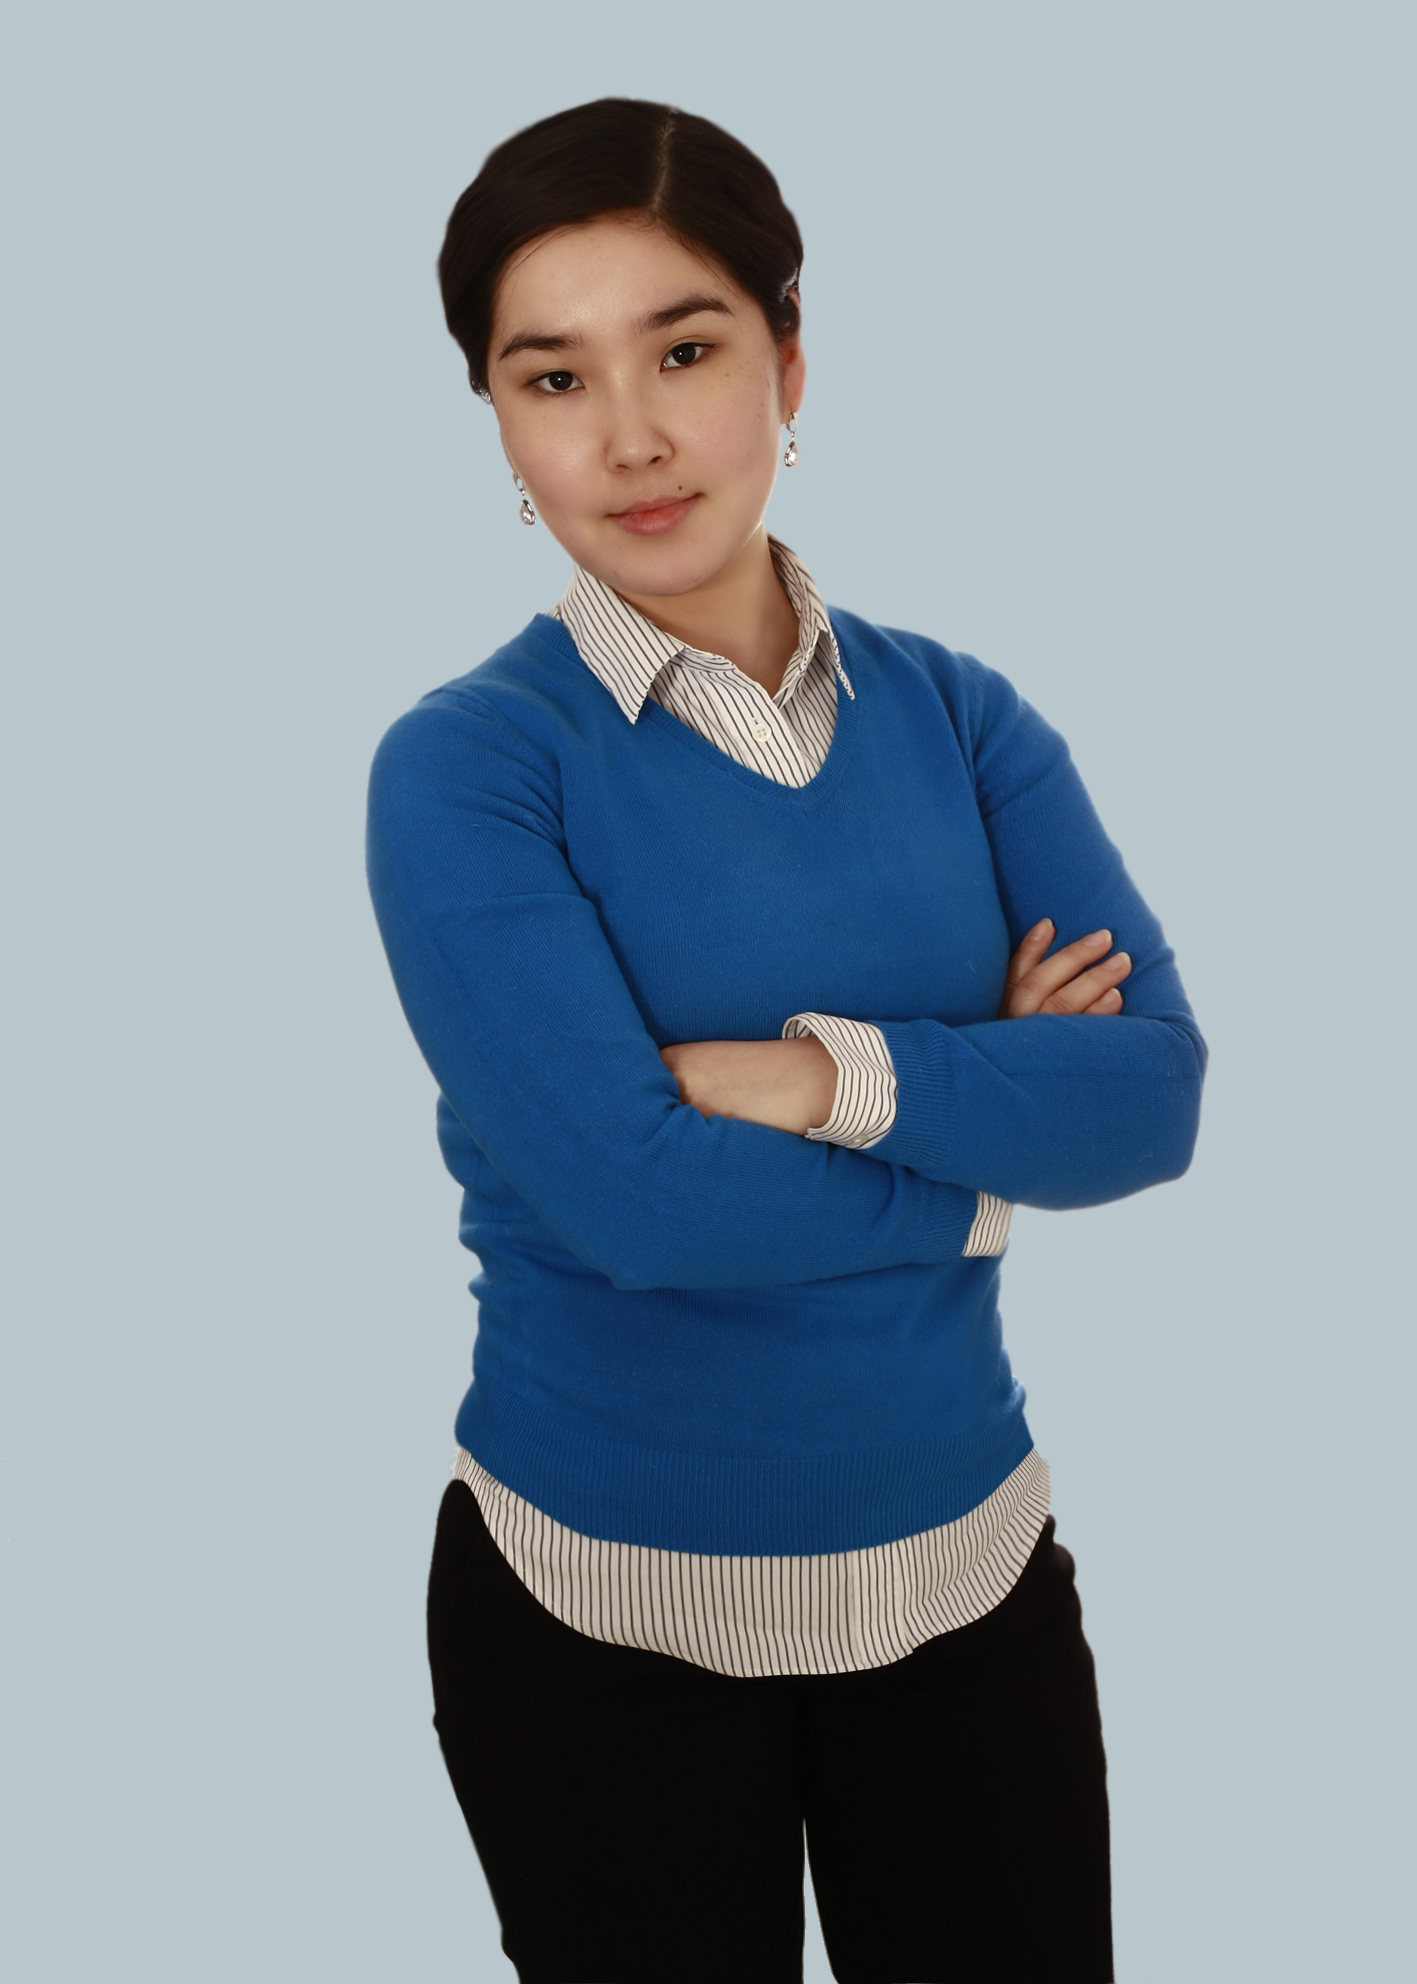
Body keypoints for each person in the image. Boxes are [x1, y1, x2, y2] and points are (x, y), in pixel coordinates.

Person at [366, 97, 1205, 1984]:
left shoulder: (963, 719)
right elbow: (639, 1208)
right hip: (602, 1620)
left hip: (965, 1580)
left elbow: (1151, 1097)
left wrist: (816, 1079)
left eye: (684, 350)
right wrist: (987, 1140)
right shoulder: (469, 770)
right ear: (497, 421)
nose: (630, 436)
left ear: (788, 358)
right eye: (552, 377)